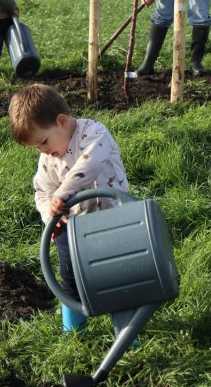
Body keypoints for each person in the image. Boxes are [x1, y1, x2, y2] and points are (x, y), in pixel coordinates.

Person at [8, 83, 134, 336]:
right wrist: (50, 214)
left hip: (115, 218)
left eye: (43, 141)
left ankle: (126, 334)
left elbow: (90, 165)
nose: (43, 151)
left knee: (119, 277)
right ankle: (74, 333)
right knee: (70, 277)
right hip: (75, 227)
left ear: (62, 122)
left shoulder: (94, 133)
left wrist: (62, 193)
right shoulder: (48, 159)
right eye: (36, 148)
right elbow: (42, 191)